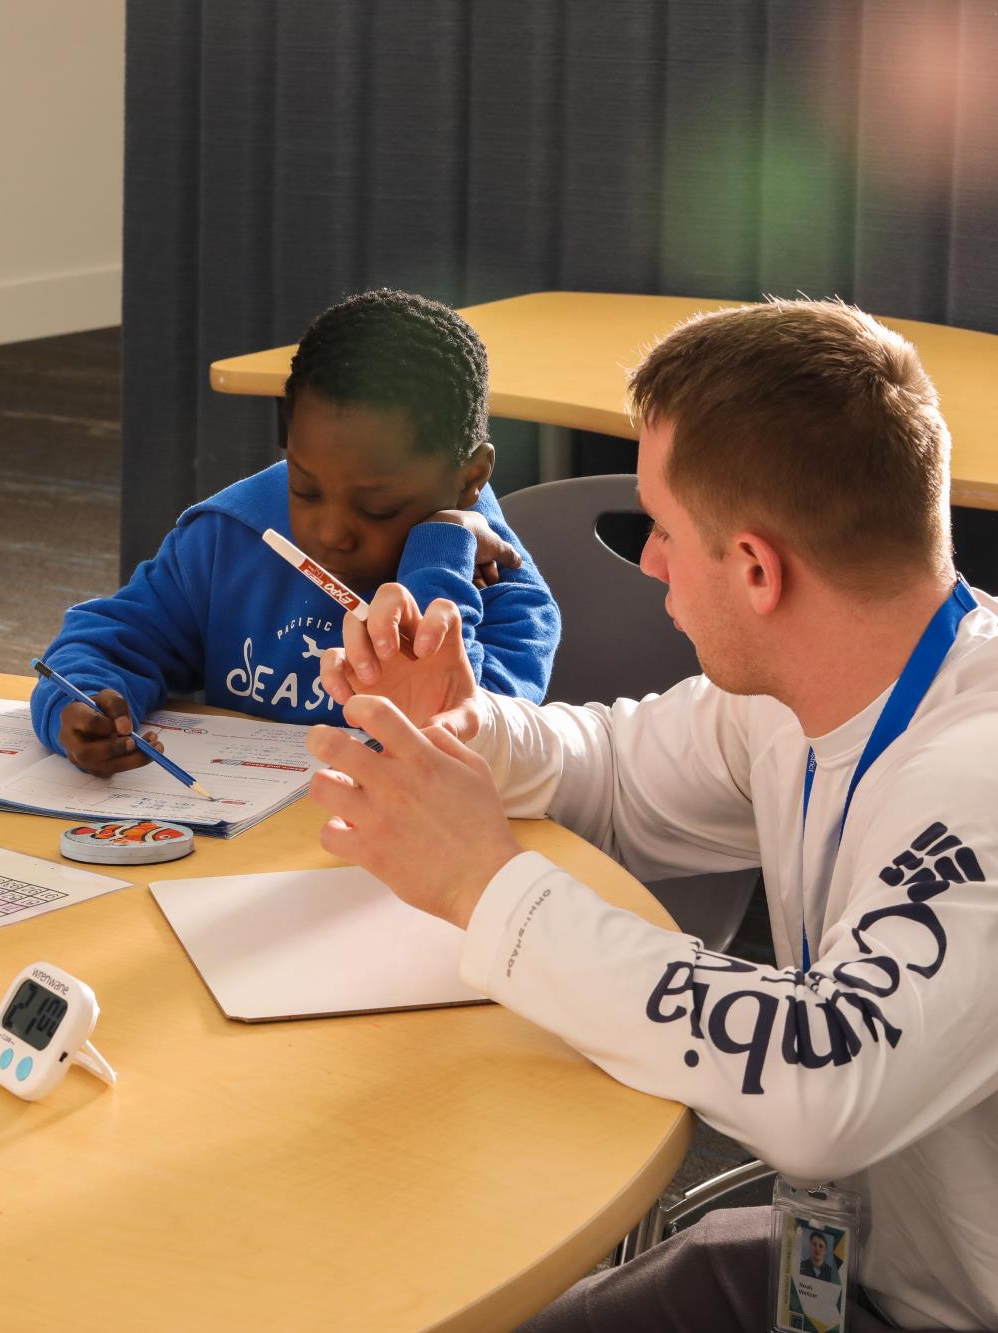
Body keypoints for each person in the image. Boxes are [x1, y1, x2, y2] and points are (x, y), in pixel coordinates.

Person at [305, 298, 996, 1332]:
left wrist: (486, 887)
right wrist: (464, 723)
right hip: (849, 1260)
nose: (650, 563)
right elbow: (617, 773)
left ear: (756, 568)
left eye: (662, 531)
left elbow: (822, 1078)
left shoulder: (977, 775)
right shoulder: (812, 690)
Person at [29, 288, 559, 776]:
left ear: (470, 479)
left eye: (376, 508)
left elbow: (451, 747)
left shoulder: (504, 596)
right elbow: (110, 642)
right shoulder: (227, 539)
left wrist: (437, 559)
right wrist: (79, 704)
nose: (331, 532)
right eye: (305, 489)